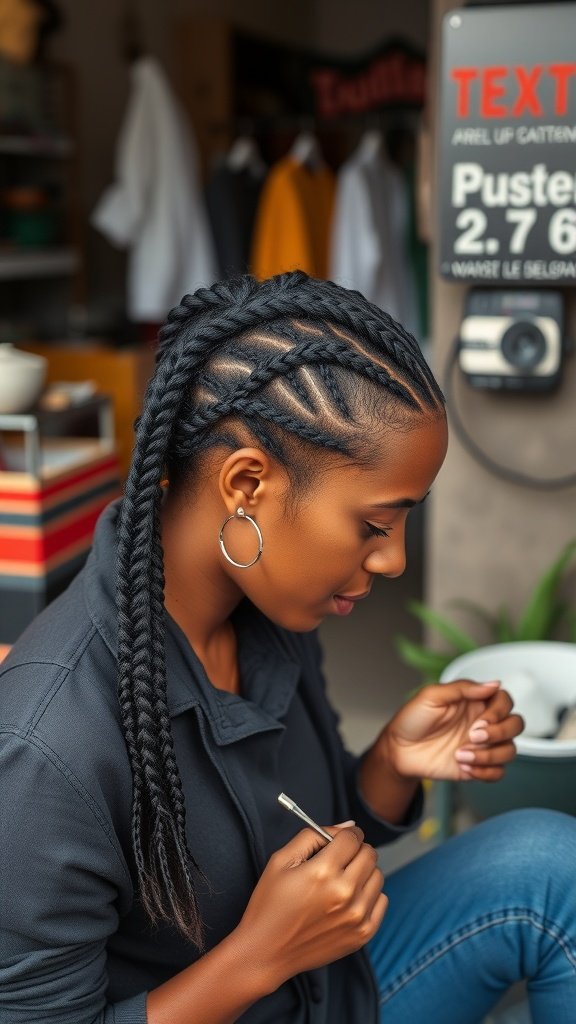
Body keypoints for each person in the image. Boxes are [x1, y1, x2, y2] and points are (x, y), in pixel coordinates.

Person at [0, 271, 574, 1024]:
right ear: (247, 485)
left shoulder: (269, 613)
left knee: (552, 865)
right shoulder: (50, 747)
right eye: (375, 525)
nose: (394, 560)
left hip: (327, 992)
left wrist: (387, 769)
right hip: (265, 995)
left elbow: (299, 835)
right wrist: (258, 958)